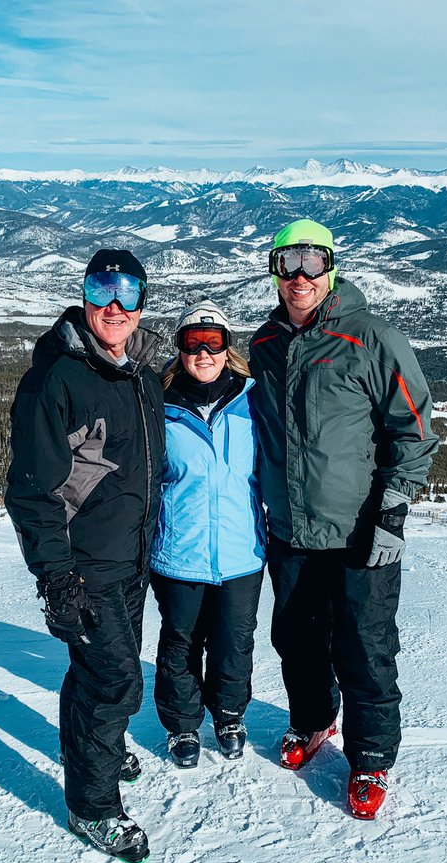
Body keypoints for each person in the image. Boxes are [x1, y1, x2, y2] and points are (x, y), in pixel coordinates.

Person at [248, 219, 439, 820]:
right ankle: (312, 722)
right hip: (290, 529)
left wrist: (393, 511)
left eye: (313, 262)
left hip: (360, 531)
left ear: (331, 268)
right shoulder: (264, 344)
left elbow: (414, 429)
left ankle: (371, 757)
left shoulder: (372, 338)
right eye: (288, 262)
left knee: (365, 645)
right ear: (274, 270)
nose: (300, 276)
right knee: (297, 640)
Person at [4, 248, 164, 863]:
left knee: (94, 672)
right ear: (84, 297)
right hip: (84, 565)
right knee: (116, 679)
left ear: (143, 302)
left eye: (128, 293)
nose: (115, 306)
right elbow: (32, 490)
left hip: (131, 557)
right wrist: (56, 577)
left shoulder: (141, 374)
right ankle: (92, 807)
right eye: (103, 291)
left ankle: (92, 750)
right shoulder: (57, 379)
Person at [149, 299, 265, 769]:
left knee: (233, 643)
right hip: (179, 551)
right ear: (179, 348)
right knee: (181, 642)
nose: (203, 353)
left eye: (213, 342)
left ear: (227, 346)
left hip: (241, 552)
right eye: (192, 342)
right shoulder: (159, 405)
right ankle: (182, 724)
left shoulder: (252, 401)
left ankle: (230, 716)